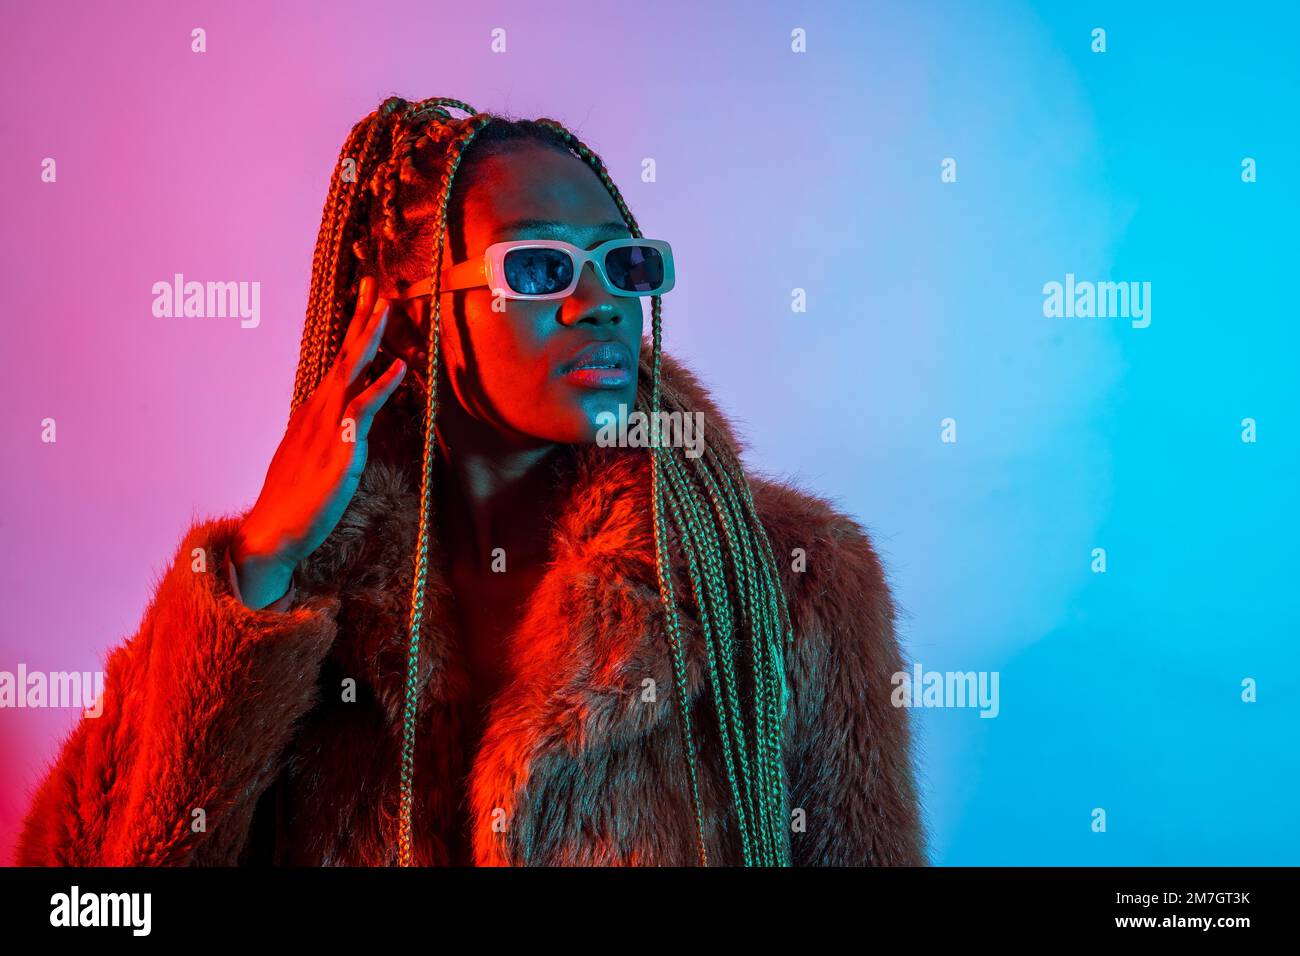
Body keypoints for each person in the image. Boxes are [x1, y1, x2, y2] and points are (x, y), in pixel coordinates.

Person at [16, 96, 925, 866]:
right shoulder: (294, 599)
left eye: (623, 262)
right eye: (538, 268)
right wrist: (261, 563)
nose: (600, 300)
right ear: (406, 318)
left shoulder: (793, 577)